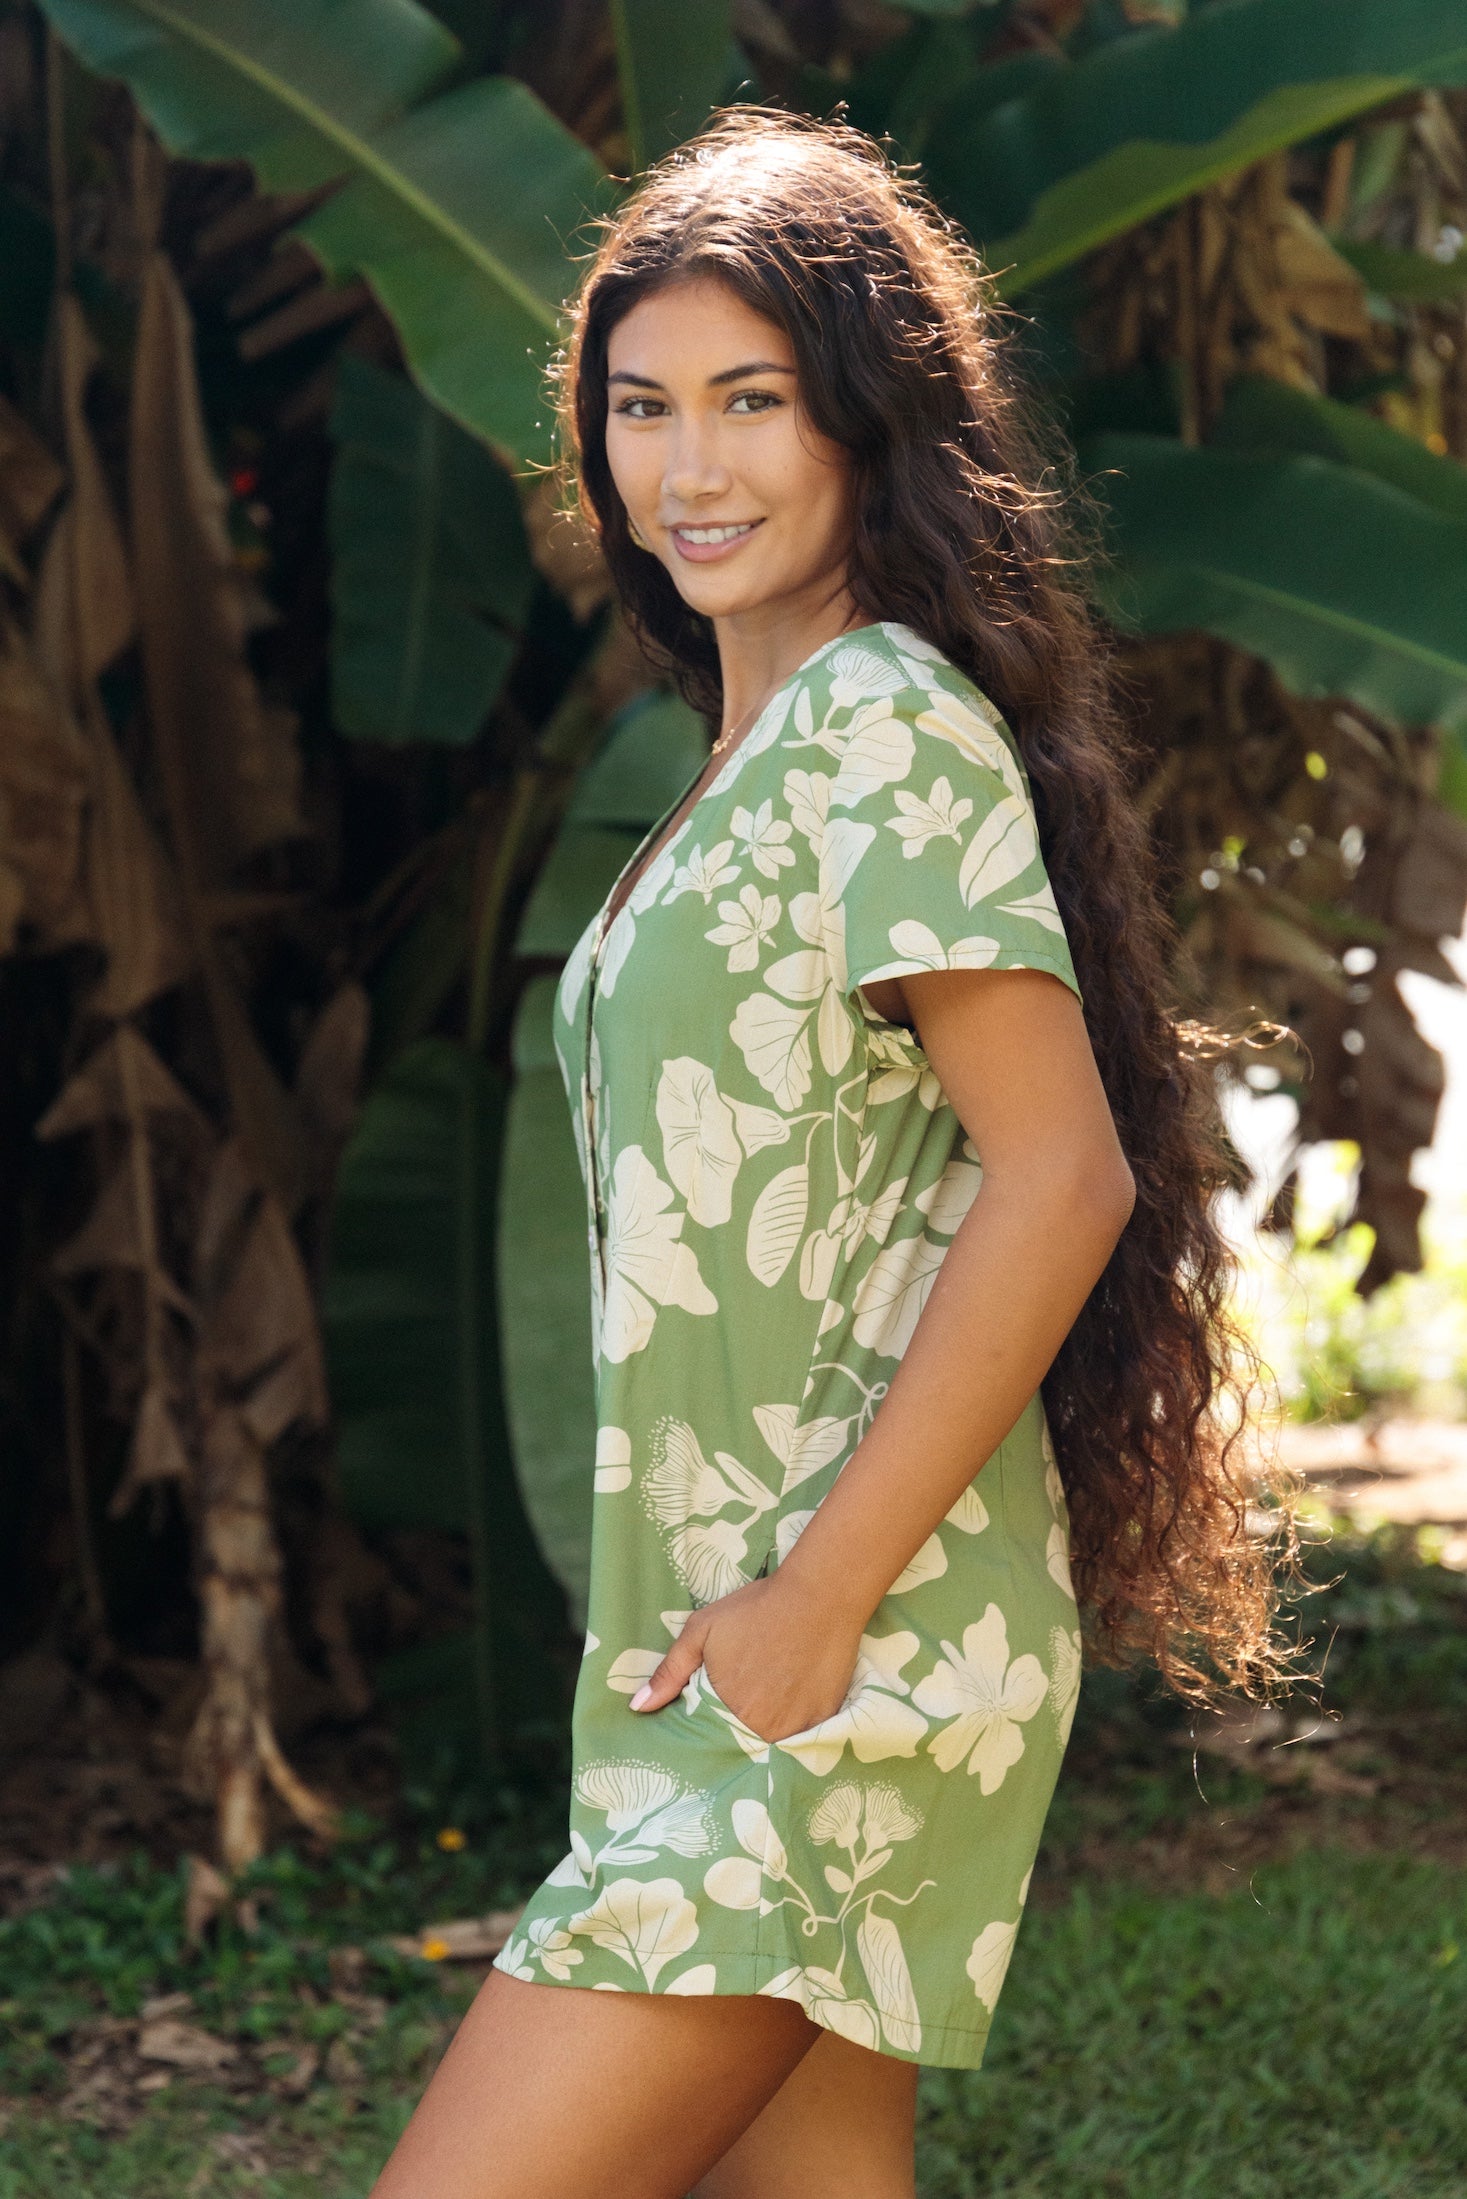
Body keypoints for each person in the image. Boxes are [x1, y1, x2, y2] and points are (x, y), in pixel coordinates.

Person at [371, 108, 1282, 2199]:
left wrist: (813, 1597)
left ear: (867, 416)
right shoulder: (756, 751)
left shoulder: (877, 722)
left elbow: (1058, 1177)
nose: (686, 469)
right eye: (639, 409)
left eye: (749, 403)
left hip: (836, 1653)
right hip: (736, 1648)